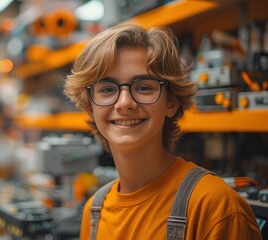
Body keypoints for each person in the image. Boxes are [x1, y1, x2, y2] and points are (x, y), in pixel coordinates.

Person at [63, 23, 262, 239]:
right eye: (107, 89)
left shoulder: (214, 207)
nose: (124, 103)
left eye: (144, 87)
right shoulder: (95, 211)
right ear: (89, 107)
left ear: (171, 102)